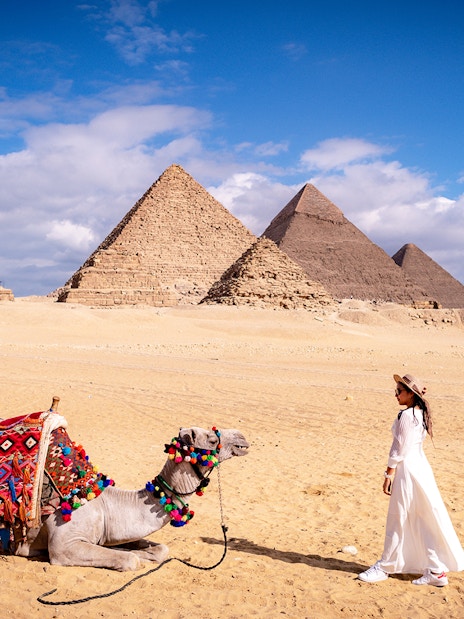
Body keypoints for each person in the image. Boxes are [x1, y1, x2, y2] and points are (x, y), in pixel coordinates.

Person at [358, 373, 464, 586]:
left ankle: (385, 567)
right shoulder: (419, 413)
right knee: (423, 518)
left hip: (408, 471)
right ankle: (435, 570)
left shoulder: (407, 416)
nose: (395, 394)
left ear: (411, 394)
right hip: (421, 469)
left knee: (398, 517)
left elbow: (400, 449)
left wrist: (389, 473)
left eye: (399, 391)